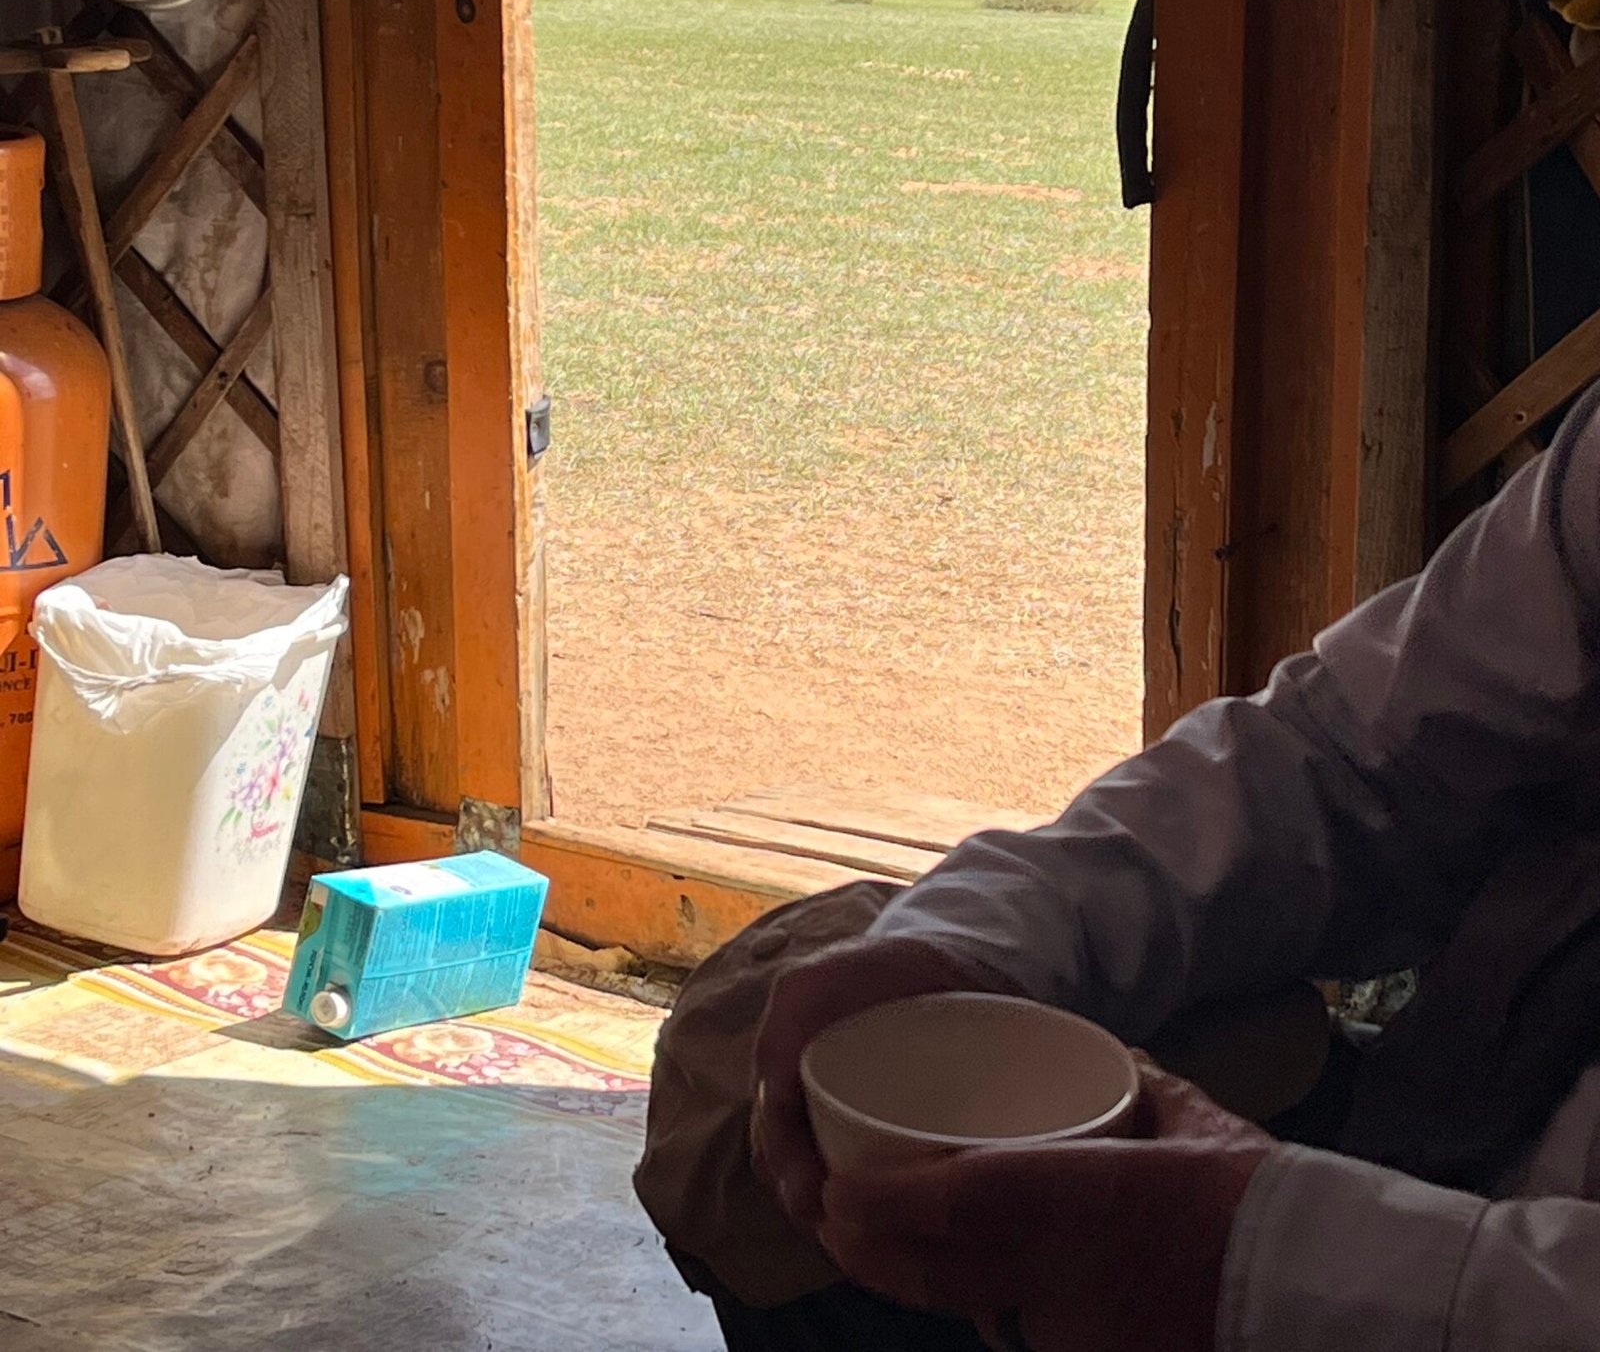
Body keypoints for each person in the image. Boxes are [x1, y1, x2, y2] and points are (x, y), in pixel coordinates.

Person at [636, 385, 1600, 1351]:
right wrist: (974, 946)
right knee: (750, 1063)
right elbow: (1354, 758)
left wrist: (1259, 1261)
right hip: (1464, 1104)